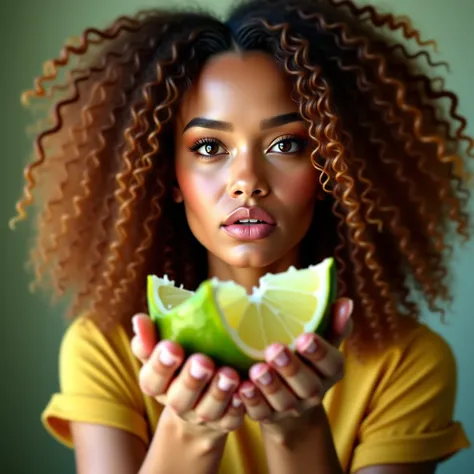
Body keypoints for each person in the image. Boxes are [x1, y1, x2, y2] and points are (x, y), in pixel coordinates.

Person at [10, 0, 472, 472]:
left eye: (286, 144)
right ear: (168, 175)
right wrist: (189, 429)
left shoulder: (407, 362)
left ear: (333, 168)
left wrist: (298, 430)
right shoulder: (106, 346)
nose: (247, 180)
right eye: (209, 147)